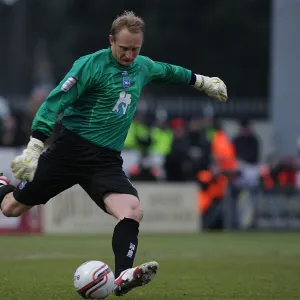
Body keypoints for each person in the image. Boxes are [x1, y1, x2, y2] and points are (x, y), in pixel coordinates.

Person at [0, 11, 227, 297]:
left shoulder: (142, 66)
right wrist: (35, 145)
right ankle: (2, 186)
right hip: (71, 151)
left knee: (132, 210)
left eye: (135, 49)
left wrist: (202, 81)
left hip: (106, 161)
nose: (130, 55)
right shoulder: (90, 66)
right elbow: (54, 101)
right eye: (124, 48)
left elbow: (170, 71)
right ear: (111, 41)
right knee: (11, 208)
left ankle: (122, 276)